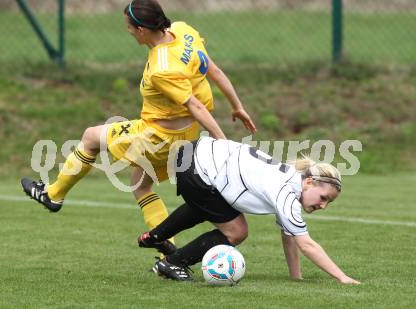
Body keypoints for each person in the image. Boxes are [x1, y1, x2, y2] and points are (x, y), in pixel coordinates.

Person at [21, 0, 256, 257]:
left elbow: (195, 107)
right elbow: (214, 69)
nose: (129, 32)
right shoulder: (184, 30)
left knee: (90, 137)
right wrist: (237, 106)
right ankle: (168, 252)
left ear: (142, 30)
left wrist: (222, 144)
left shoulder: (161, 68)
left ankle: (54, 195)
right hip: (186, 135)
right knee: (140, 185)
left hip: (157, 136)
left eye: (129, 28)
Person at [138, 137, 360, 284]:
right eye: (324, 198)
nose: (323, 205)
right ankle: (173, 263)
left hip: (193, 153)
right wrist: (342, 278)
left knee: (211, 205)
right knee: (237, 231)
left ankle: (155, 237)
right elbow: (306, 243)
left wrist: (296, 277)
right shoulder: (286, 192)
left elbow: (289, 235)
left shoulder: (288, 182)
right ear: (309, 182)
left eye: (328, 203)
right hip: (198, 164)